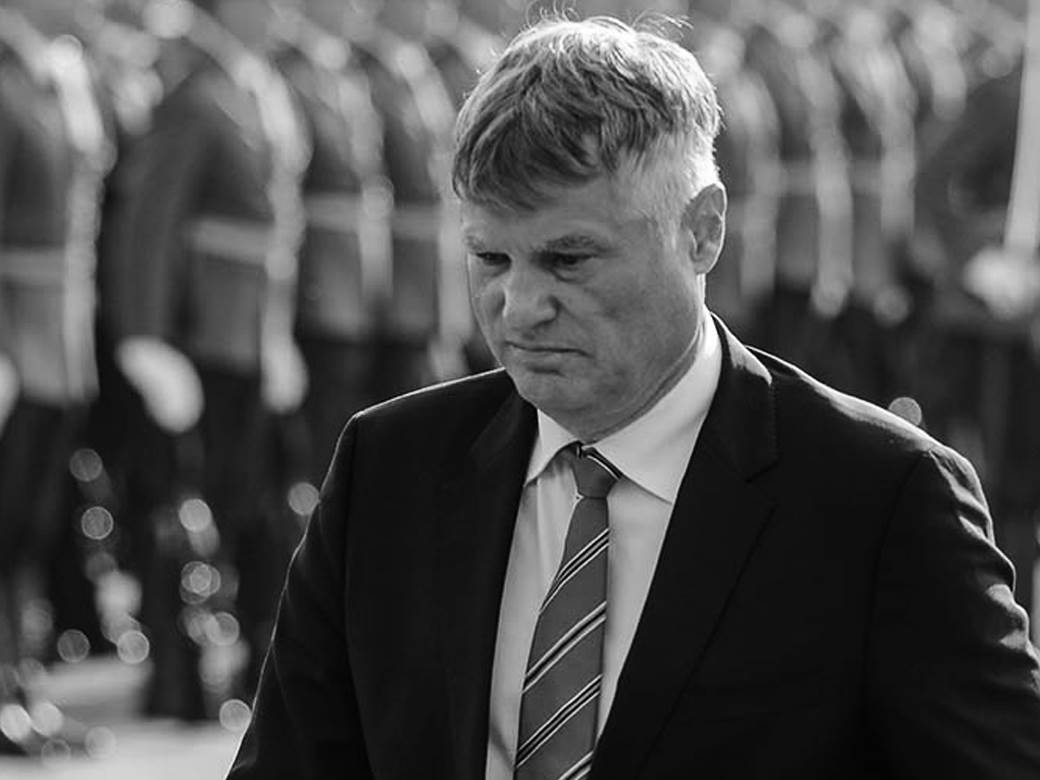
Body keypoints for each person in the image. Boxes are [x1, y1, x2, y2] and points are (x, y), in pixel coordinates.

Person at [229, 16, 1040, 779]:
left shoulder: (880, 498)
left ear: (702, 231)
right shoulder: (389, 468)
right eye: (490, 259)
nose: (520, 308)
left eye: (569, 260)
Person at [103, 0, 310, 715]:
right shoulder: (193, 94)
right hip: (199, 332)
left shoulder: (251, 84)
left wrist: (274, 331)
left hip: (246, 329)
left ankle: (240, 664)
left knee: (245, 498)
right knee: (189, 505)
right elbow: (149, 222)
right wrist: (146, 337)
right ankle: (176, 677)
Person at [0, 0, 113, 755]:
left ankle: (19, 685)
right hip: (14, 331)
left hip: (58, 332)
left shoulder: (62, 72)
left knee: (31, 526)